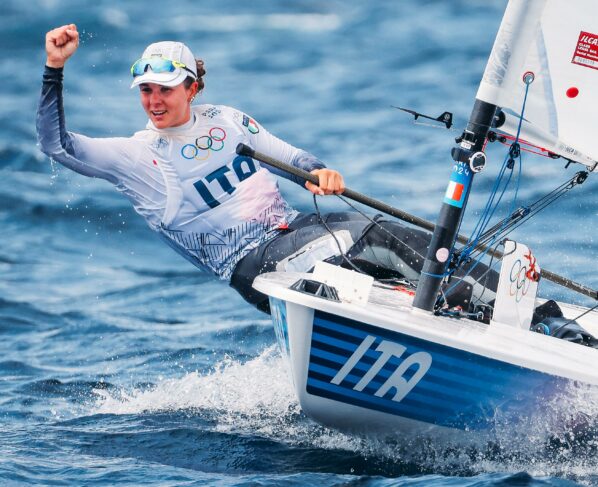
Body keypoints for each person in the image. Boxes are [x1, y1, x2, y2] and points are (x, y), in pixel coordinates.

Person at [37, 24, 497, 314]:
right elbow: (57, 145)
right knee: (369, 241)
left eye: (166, 89)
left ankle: (516, 307)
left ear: (192, 88)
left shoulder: (227, 120)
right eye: (146, 90)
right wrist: (53, 69)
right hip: (252, 264)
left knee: (392, 234)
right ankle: (458, 300)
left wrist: (320, 172)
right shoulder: (136, 156)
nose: (154, 101)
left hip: (296, 228)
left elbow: (294, 161)